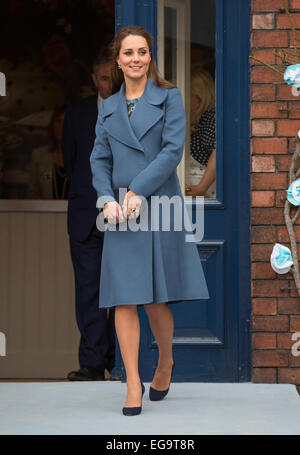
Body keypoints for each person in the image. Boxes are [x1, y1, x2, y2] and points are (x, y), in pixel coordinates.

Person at [90, 26, 210, 416]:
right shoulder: (108, 107)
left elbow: (173, 151)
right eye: (128, 53)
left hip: (158, 206)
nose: (136, 59)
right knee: (124, 299)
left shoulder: (169, 98)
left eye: (142, 51)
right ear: (118, 59)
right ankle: (132, 383)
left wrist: (137, 190)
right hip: (120, 213)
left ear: (150, 57)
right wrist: (107, 198)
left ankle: (165, 363)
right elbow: (99, 160)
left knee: (156, 299)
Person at [62, 46, 118, 382]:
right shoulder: (77, 114)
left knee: (125, 290)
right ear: (93, 79)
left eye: (113, 79)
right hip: (85, 215)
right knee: (88, 291)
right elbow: (72, 164)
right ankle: (93, 364)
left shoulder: (131, 110)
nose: (108, 85)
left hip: (125, 213)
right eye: (103, 79)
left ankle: (121, 360)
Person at [186, 67, 216, 198]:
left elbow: (218, 151)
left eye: (187, 93)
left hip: (204, 191)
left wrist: (202, 187)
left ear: (199, 96)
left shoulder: (209, 117)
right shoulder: (194, 120)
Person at [28, 104, 69, 199]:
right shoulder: (38, 155)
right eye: (58, 121)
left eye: (66, 121)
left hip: (76, 212)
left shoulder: (84, 157)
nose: (61, 126)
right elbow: (33, 192)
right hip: (46, 212)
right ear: (52, 126)